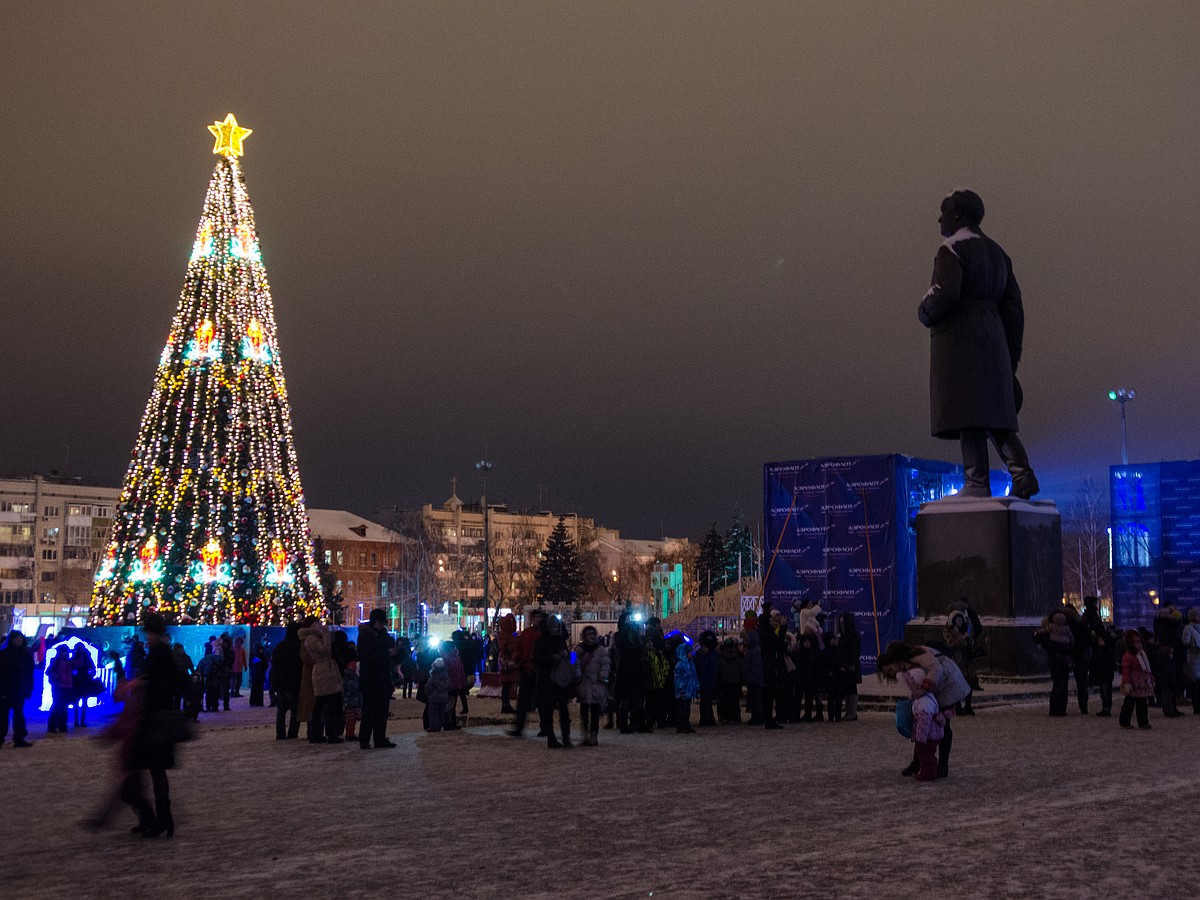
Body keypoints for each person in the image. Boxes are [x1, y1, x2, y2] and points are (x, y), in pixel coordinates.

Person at [918, 188, 1038, 499]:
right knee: (996, 414)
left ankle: (976, 483)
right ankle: (1022, 472)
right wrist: (1009, 356)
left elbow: (945, 292)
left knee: (967, 414)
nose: (939, 218)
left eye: (944, 211)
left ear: (957, 215)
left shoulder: (952, 250)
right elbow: (1014, 310)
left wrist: (925, 310)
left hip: (961, 343)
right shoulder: (999, 254)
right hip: (994, 341)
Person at [85, 612, 185, 838]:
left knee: (153, 771)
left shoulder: (159, 654)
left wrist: (144, 686)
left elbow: (160, 685)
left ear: (154, 633)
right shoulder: (161, 653)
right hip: (156, 719)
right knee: (154, 771)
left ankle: (160, 819)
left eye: (148, 632)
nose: (146, 637)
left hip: (153, 721)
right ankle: (159, 818)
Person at [878, 641, 971, 779]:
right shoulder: (907, 661)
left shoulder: (916, 655)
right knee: (921, 724)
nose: (893, 673)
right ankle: (918, 762)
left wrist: (924, 689)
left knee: (943, 725)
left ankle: (942, 766)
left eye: (890, 669)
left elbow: (936, 668)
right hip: (938, 686)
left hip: (947, 684)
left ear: (894, 659)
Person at [357, 608, 397, 749]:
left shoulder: (383, 635)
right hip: (371, 679)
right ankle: (365, 739)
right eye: (380, 622)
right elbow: (365, 656)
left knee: (381, 711)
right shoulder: (365, 635)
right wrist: (386, 654)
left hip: (383, 678)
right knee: (369, 711)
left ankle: (379, 738)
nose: (382, 625)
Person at [300, 622, 344, 744]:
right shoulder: (311, 639)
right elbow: (325, 649)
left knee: (325, 704)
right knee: (326, 704)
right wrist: (326, 634)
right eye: (317, 624)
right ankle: (327, 734)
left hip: (326, 671)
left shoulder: (315, 638)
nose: (320, 625)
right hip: (324, 672)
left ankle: (321, 734)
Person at [534, 615, 574, 749]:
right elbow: (537, 659)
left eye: (557, 626)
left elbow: (571, 657)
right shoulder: (541, 641)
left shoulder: (561, 641)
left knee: (564, 710)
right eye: (553, 626)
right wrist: (552, 658)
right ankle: (551, 738)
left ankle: (566, 738)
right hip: (547, 680)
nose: (556, 629)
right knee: (549, 710)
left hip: (561, 680)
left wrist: (569, 657)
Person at [507, 609, 545, 738]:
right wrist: (517, 658)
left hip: (539, 671)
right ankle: (519, 728)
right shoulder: (527, 633)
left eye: (539, 618)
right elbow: (519, 648)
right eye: (535, 618)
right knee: (523, 701)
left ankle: (545, 727)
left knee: (541, 701)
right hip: (526, 669)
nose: (537, 620)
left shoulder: (543, 633)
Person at [1033, 612, 1074, 717]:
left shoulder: (1049, 632)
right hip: (1063, 661)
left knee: (1058, 683)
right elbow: (1072, 640)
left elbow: (1040, 634)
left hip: (1055, 660)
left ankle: (1056, 708)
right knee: (1062, 684)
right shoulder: (1067, 630)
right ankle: (1060, 708)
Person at [575, 625, 610, 747]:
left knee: (595, 710)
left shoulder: (600, 650)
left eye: (592, 634)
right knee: (584, 710)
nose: (590, 637)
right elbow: (573, 663)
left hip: (596, 683)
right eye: (588, 634)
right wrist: (577, 675)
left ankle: (594, 734)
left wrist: (602, 678)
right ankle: (584, 734)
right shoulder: (578, 649)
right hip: (583, 683)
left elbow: (606, 664)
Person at [0, 630, 35, 748]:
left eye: (20, 638)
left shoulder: (25, 654)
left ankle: (19, 738)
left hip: (19, 690)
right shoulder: (4, 654)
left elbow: (29, 673)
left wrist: (29, 689)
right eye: (16, 638)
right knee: (3, 716)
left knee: (19, 715)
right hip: (6, 690)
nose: (18, 640)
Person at [942, 598, 977, 715]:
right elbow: (951, 645)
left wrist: (970, 641)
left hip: (968, 658)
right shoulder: (948, 630)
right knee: (958, 683)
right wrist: (963, 638)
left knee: (970, 681)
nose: (959, 621)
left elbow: (972, 637)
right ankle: (958, 707)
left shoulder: (967, 625)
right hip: (957, 660)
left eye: (960, 618)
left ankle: (968, 705)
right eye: (956, 619)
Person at [1081, 596, 1114, 716]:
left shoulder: (1088, 617)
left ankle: (1106, 705)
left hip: (1098, 654)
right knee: (1105, 683)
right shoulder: (1093, 616)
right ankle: (1106, 705)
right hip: (1101, 655)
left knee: (1103, 683)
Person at [271, 622, 303, 740]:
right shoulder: (297, 646)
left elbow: (275, 665)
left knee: (281, 710)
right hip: (292, 682)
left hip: (280, 682)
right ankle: (292, 733)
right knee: (294, 710)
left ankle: (280, 733)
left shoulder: (280, 646)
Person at [1119, 630, 1155, 730]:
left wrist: (1151, 678)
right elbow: (1126, 671)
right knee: (1129, 703)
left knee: (1142, 704)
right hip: (1133, 683)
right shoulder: (1128, 656)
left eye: (1139, 642)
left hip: (1142, 683)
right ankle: (1124, 721)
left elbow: (1147, 669)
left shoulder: (1142, 654)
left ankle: (1143, 722)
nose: (1138, 645)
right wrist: (1126, 683)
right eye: (1135, 642)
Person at [838, 613, 862, 721]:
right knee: (847, 687)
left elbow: (855, 651)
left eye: (843, 622)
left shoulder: (854, 635)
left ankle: (853, 711)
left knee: (852, 687)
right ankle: (848, 710)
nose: (841, 624)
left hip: (851, 664)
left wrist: (851, 663)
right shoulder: (843, 635)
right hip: (844, 664)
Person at [47, 643, 75, 733]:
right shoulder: (58, 661)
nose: (66, 653)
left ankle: (60, 725)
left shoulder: (67, 662)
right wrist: (58, 677)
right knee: (58, 706)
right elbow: (49, 671)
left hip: (66, 687)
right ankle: (56, 725)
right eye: (64, 652)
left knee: (62, 706)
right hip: (59, 687)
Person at [694, 631, 719, 727]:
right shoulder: (702, 655)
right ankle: (705, 718)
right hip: (704, 681)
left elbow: (712, 670)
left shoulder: (710, 656)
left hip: (708, 682)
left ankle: (708, 719)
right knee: (704, 702)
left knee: (706, 702)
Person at [716, 636, 744, 724]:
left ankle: (725, 716)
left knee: (725, 700)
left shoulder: (721, 656)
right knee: (735, 701)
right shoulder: (738, 656)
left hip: (724, 681)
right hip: (735, 681)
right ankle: (735, 716)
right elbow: (741, 668)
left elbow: (718, 669)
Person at [673, 642, 699, 734]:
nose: (691, 654)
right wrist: (681, 689)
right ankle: (680, 726)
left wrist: (696, 688)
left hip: (689, 691)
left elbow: (694, 676)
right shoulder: (680, 665)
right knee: (681, 710)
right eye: (689, 652)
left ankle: (686, 725)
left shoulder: (691, 663)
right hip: (682, 692)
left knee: (687, 710)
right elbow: (678, 679)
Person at [497, 613, 519, 714]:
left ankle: (506, 705)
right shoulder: (505, 636)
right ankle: (505, 705)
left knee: (507, 684)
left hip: (508, 660)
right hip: (507, 660)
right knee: (506, 684)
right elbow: (504, 647)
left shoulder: (505, 635)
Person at [71, 644, 96, 727]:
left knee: (78, 703)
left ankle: (78, 721)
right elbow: (93, 669)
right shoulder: (86, 658)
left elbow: (92, 669)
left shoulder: (76, 658)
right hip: (83, 681)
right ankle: (80, 721)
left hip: (79, 682)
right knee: (81, 703)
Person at [425, 657, 450, 733]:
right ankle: (440, 725)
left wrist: (428, 694)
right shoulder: (446, 677)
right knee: (441, 712)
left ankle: (434, 727)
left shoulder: (433, 677)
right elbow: (449, 686)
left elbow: (428, 687)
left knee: (433, 713)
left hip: (434, 697)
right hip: (444, 697)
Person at [1182, 609, 1200, 716]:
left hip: (1196, 658)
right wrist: (1193, 645)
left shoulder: (1190, 628)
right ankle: (1197, 707)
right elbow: (1185, 642)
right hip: (1194, 657)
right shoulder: (1188, 628)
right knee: (1195, 685)